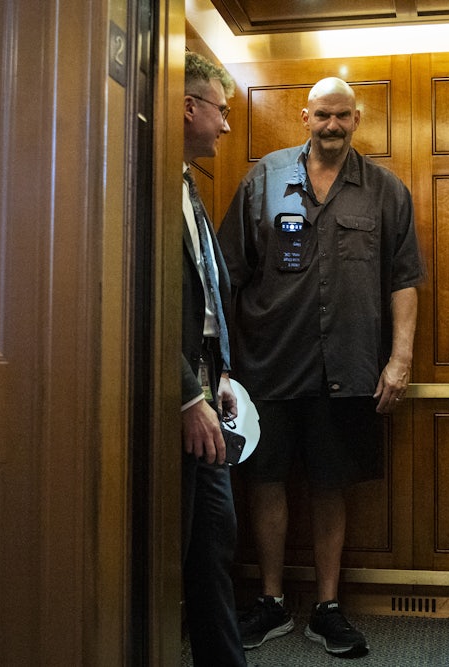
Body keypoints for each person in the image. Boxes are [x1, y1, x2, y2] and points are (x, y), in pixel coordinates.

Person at [218, 77, 424, 658]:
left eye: (343, 116)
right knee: (265, 481)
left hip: (350, 367)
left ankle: (328, 607)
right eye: (322, 116)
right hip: (267, 365)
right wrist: (223, 367)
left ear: (357, 119)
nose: (332, 126)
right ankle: (273, 600)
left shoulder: (385, 190)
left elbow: (406, 279)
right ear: (304, 116)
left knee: (332, 485)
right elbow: (228, 273)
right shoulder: (264, 177)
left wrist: (400, 359)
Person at [178, 51, 246, 667]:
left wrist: (218, 372)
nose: (227, 126)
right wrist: (185, 394)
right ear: (188, 107)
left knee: (212, 548)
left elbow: (207, 294)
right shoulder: (139, 184)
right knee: (177, 555)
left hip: (204, 385)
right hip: (172, 399)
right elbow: (139, 306)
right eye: (221, 112)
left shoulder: (187, 187)